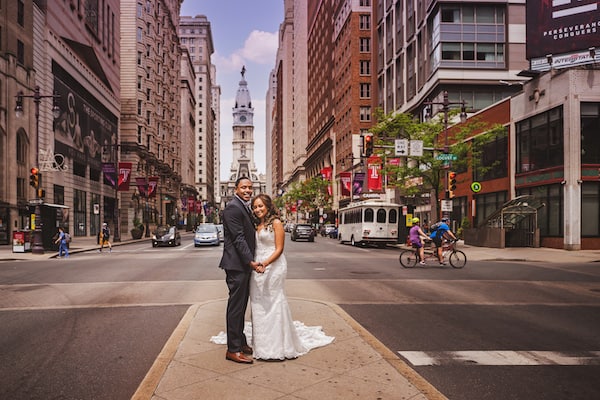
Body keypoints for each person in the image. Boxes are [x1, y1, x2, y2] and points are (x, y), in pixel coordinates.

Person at [249, 194, 334, 360]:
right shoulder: (256, 224)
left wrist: (265, 264)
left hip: (273, 266)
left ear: (268, 206)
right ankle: (261, 345)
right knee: (258, 303)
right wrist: (254, 264)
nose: (258, 209)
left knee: (273, 302)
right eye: (255, 207)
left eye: (261, 206)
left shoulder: (276, 223)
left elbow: (279, 249)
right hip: (256, 267)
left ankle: (277, 347)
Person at [218, 176, 264, 364]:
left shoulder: (242, 206)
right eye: (243, 187)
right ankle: (233, 349)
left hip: (241, 265)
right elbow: (238, 238)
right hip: (237, 265)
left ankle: (241, 341)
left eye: (250, 187)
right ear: (236, 189)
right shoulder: (232, 208)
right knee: (236, 308)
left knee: (241, 306)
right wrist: (251, 261)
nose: (247, 190)